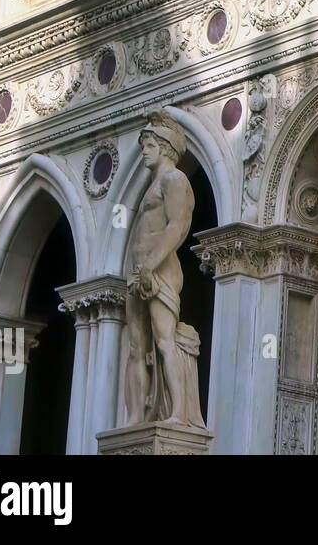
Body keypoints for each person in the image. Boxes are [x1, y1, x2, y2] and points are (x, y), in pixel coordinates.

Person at [122, 111, 205, 428]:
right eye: (144, 144)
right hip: (139, 271)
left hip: (160, 270)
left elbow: (177, 228)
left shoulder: (174, 180)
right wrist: (139, 267)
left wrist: (151, 264)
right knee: (134, 347)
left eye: (149, 144)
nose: (144, 150)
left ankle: (178, 413)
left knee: (163, 340)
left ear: (166, 146)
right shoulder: (152, 185)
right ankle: (135, 417)